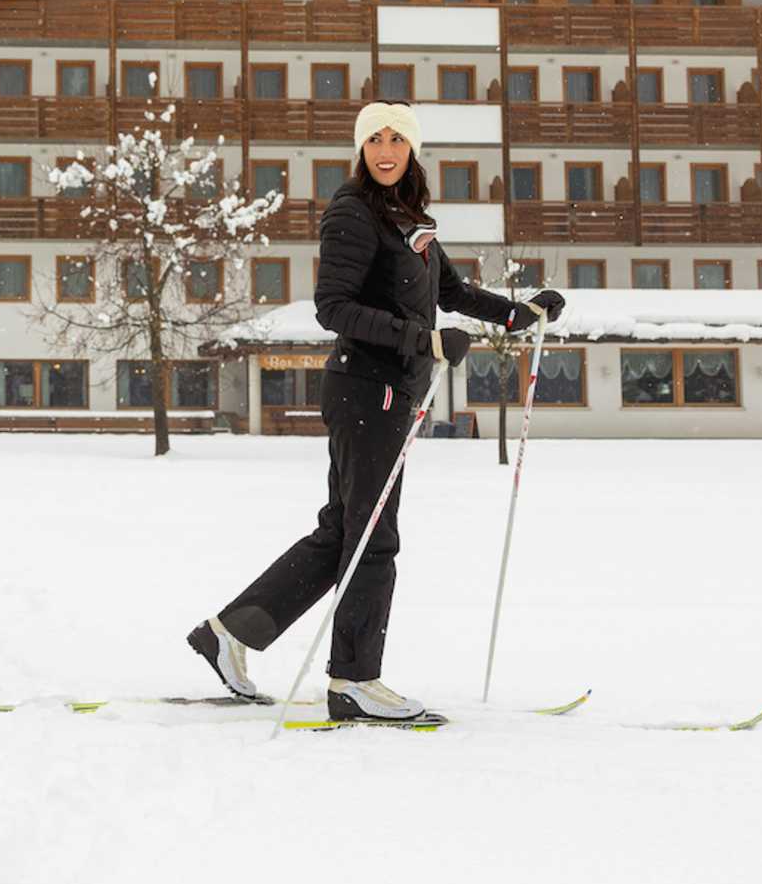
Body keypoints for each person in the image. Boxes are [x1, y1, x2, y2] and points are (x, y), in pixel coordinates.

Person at [185, 101, 564, 723]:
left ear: (412, 150)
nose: (386, 151)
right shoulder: (354, 211)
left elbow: (451, 292)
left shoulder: (407, 217)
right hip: (366, 389)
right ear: (361, 149)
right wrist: (423, 340)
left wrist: (519, 314)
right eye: (375, 140)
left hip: (387, 392)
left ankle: (229, 634)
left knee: (344, 533)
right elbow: (332, 306)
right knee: (373, 538)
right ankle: (354, 681)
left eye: (397, 139)